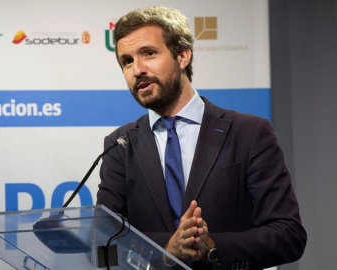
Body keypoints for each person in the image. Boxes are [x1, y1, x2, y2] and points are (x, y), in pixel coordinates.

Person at [96, 6, 306, 270]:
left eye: (149, 53)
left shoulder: (249, 133)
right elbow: (102, 243)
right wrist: (166, 249)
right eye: (127, 61)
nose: (137, 69)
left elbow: (289, 235)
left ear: (182, 56)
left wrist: (213, 247)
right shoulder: (119, 145)